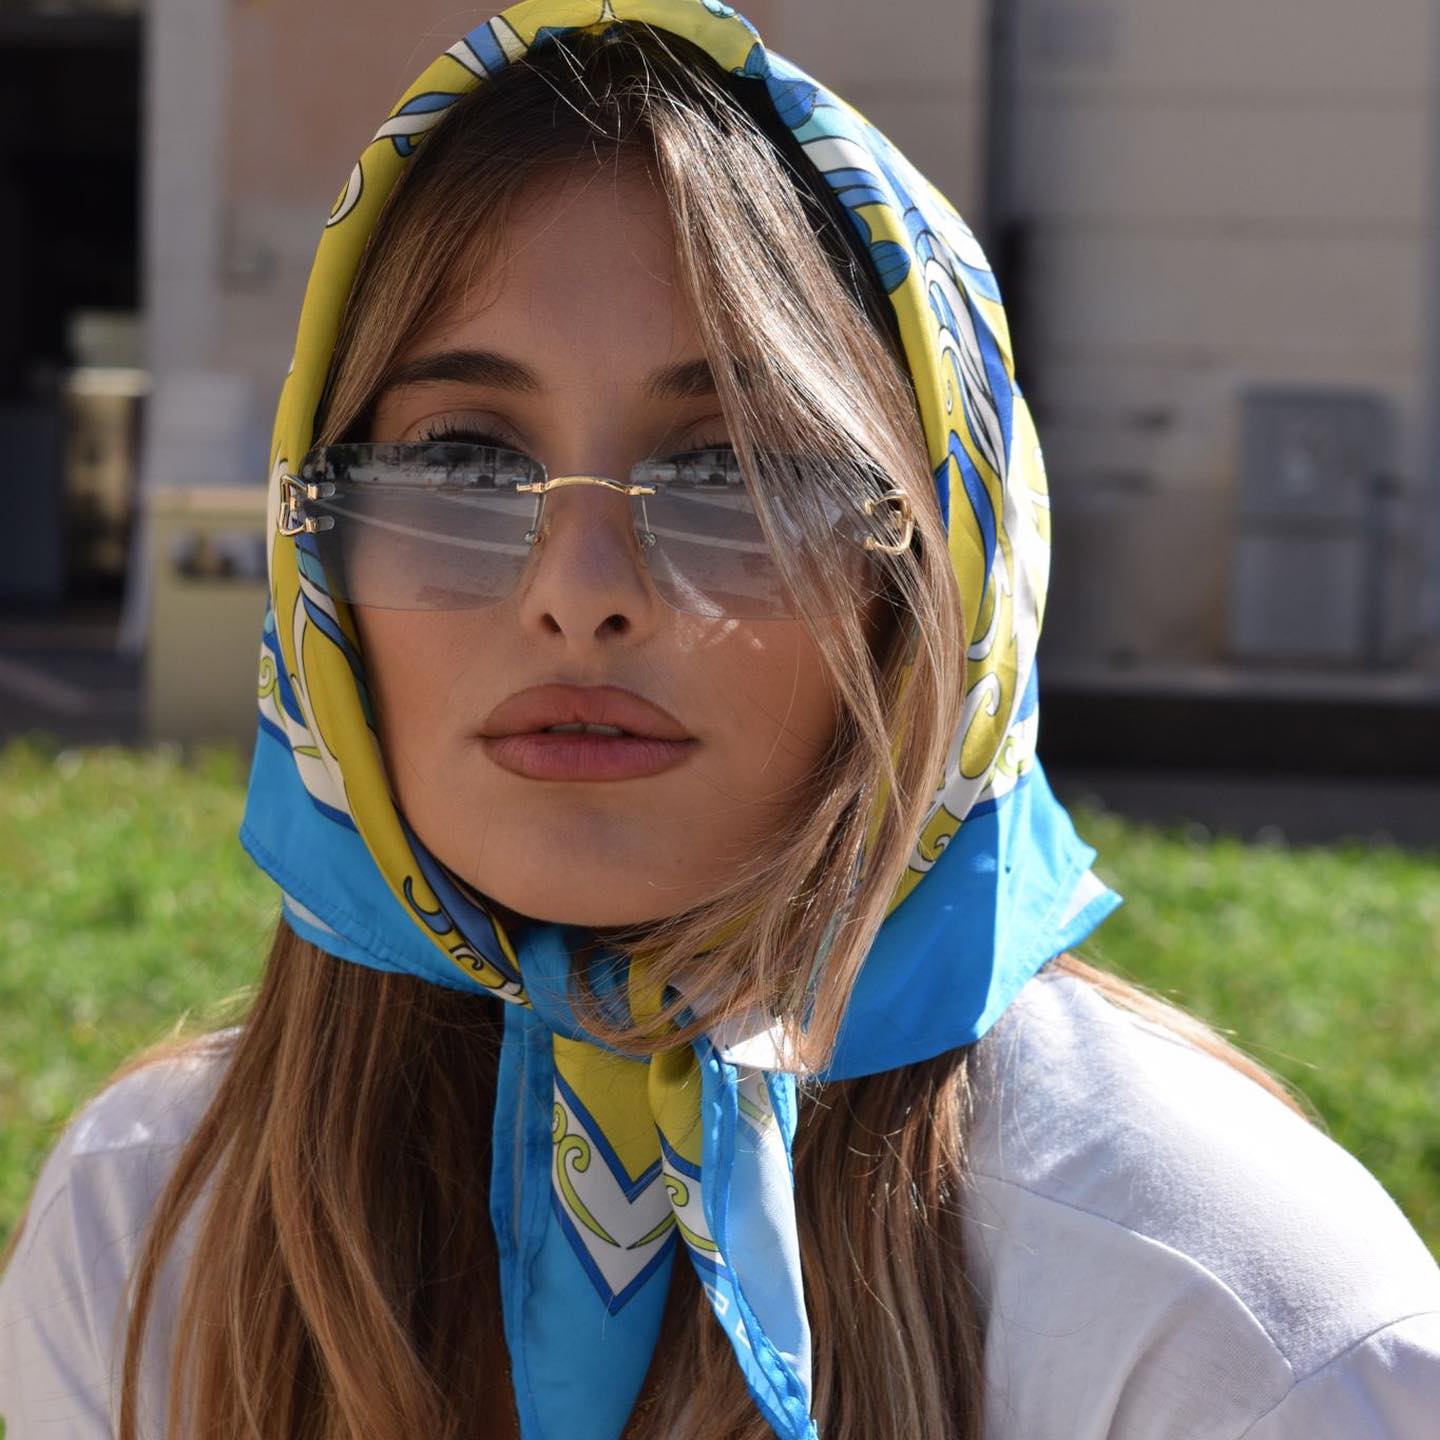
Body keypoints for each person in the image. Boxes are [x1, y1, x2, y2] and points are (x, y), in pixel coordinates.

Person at [2, 4, 1438, 1437]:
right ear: (314, 555)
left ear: (935, 581)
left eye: (733, 470)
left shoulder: (1235, 1322)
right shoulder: (146, 1226)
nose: (579, 594)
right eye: (465, 459)